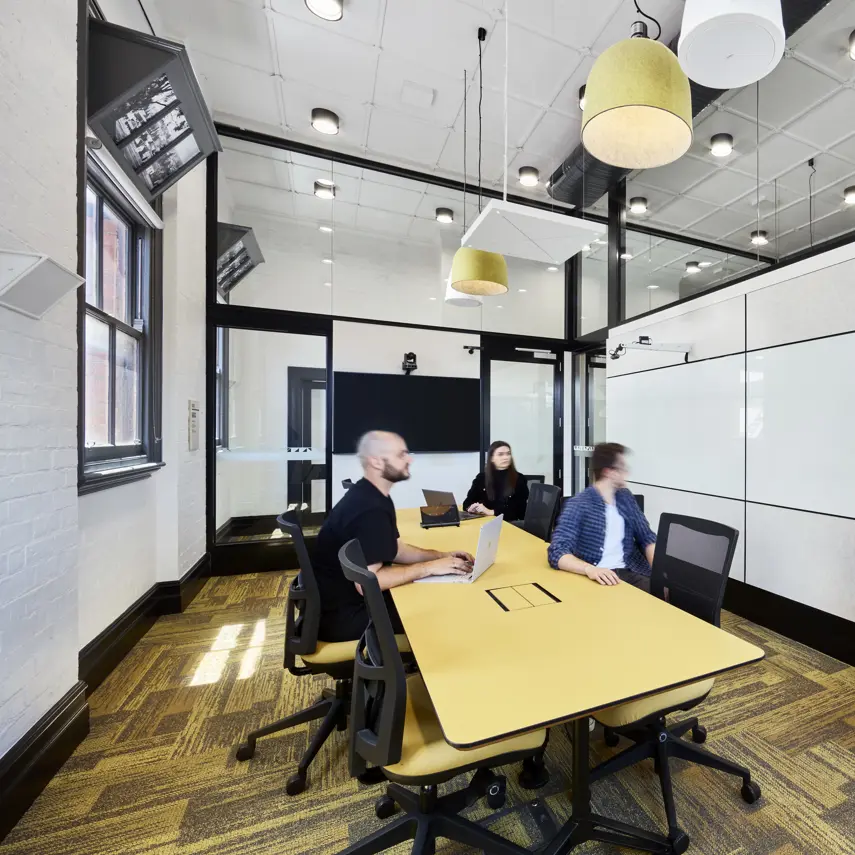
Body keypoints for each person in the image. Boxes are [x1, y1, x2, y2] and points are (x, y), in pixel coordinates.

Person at [313, 430, 474, 642]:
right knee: (443, 613)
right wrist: (429, 568)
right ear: (376, 462)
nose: (410, 459)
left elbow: (396, 549)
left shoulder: (373, 495)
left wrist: (440, 555)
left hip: (342, 606)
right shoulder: (369, 508)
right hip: (345, 617)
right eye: (401, 455)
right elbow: (367, 583)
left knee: (431, 595)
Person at [547, 442, 656, 591]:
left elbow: (647, 538)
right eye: (622, 468)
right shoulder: (579, 504)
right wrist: (589, 569)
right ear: (608, 472)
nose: (626, 472)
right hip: (596, 577)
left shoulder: (625, 497)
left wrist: (662, 579)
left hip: (631, 572)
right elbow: (557, 551)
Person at [463, 440, 529, 522]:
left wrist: (490, 512)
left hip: (509, 523)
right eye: (500, 454)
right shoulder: (481, 478)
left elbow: (519, 510)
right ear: (491, 458)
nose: (506, 457)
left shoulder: (519, 479)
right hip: (484, 521)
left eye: (508, 453)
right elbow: (467, 502)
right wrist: (471, 508)